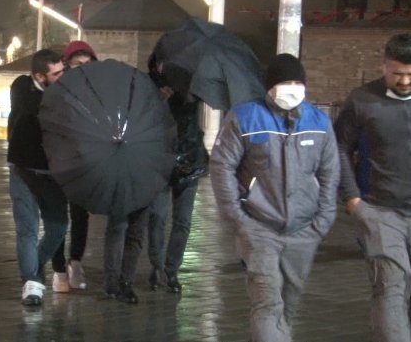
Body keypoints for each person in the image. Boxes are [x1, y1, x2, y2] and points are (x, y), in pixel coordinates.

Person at [210, 53, 340, 342]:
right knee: (267, 303)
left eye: (297, 81)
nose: (292, 88)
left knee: (289, 304)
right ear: (269, 86)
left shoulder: (318, 121)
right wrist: (238, 218)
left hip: (304, 230)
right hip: (258, 228)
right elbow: (222, 166)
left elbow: (330, 172)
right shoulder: (245, 117)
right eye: (285, 82)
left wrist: (323, 220)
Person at [334, 33, 411, 342]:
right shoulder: (362, 100)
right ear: (384, 66)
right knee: (389, 286)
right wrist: (352, 199)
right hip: (381, 211)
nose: (404, 80)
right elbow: (338, 148)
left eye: (410, 73)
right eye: (397, 73)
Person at [7, 49, 69, 306]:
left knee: (58, 227)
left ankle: (36, 266)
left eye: (63, 70)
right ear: (39, 76)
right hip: (23, 170)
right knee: (27, 229)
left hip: (52, 174)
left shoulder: (64, 92)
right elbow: (30, 107)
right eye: (56, 74)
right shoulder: (23, 87)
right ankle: (31, 284)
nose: (62, 77)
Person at [145, 54, 209, 293]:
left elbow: (192, 119)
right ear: (156, 65)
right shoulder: (148, 86)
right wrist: (158, 100)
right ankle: (157, 266)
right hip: (160, 162)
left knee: (182, 221)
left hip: (190, 159)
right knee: (158, 217)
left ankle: (172, 270)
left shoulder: (193, 85)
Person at [50, 40, 98, 293]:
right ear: (66, 64)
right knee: (57, 216)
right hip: (58, 159)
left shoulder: (96, 90)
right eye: (77, 64)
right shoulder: (57, 89)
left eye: (87, 64)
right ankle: (58, 269)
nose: (82, 69)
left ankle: (75, 263)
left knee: (80, 215)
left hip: (83, 160)